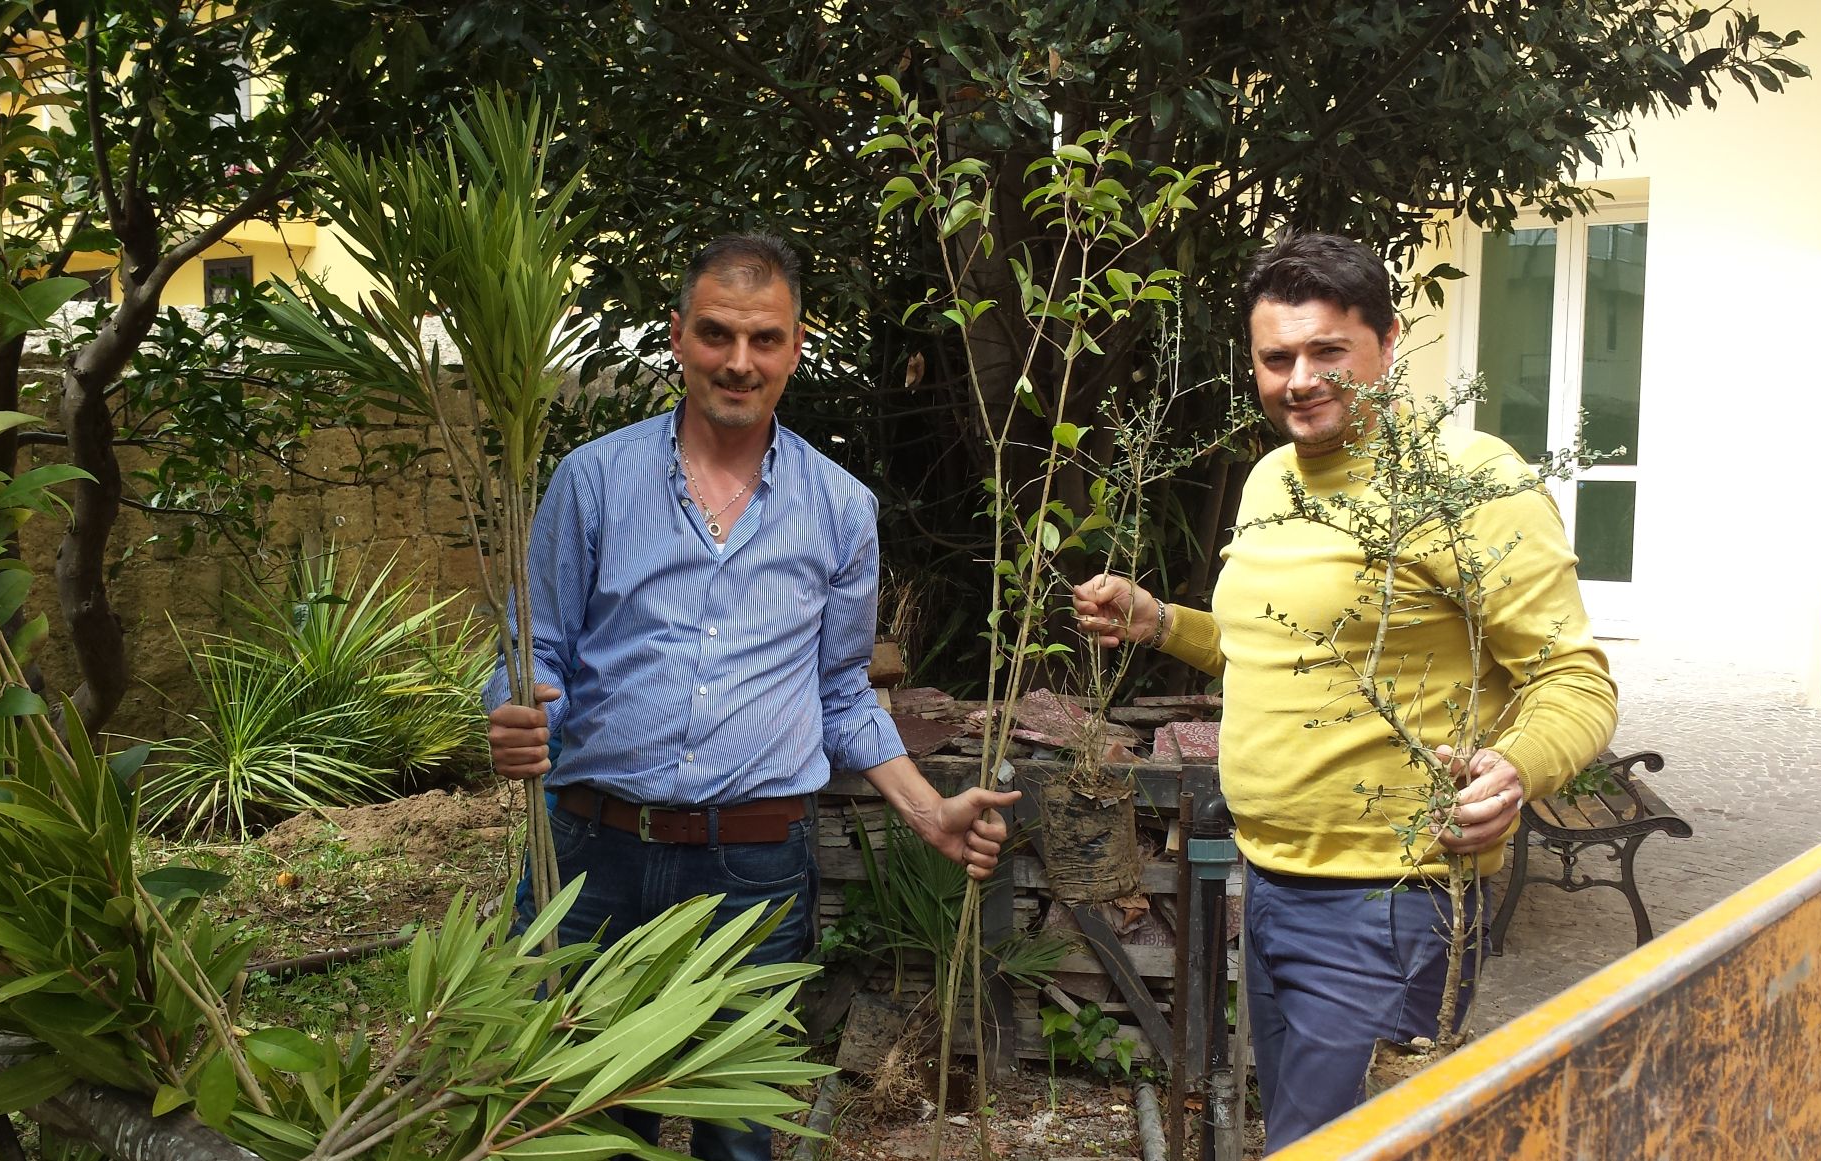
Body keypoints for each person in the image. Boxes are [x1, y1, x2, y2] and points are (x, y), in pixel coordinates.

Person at [1073, 232, 1617, 1150]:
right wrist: (1164, 622)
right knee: (1305, 1134)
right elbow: (1271, 647)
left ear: (1389, 341)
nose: (1300, 379)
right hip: (1273, 884)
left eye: (1329, 352)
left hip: (1393, 897)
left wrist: (1515, 770)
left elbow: (1575, 677)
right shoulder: (1269, 479)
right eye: (1276, 357)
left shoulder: (1468, 484)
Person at [485, 233, 1019, 1161]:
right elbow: (536, 652)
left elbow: (842, 692)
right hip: (592, 857)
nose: (740, 361)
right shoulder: (593, 480)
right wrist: (519, 709)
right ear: (679, 337)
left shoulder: (840, 507)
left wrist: (929, 810)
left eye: (764, 339)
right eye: (717, 334)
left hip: (752, 870)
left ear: (797, 345)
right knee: (588, 1128)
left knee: (740, 1139)